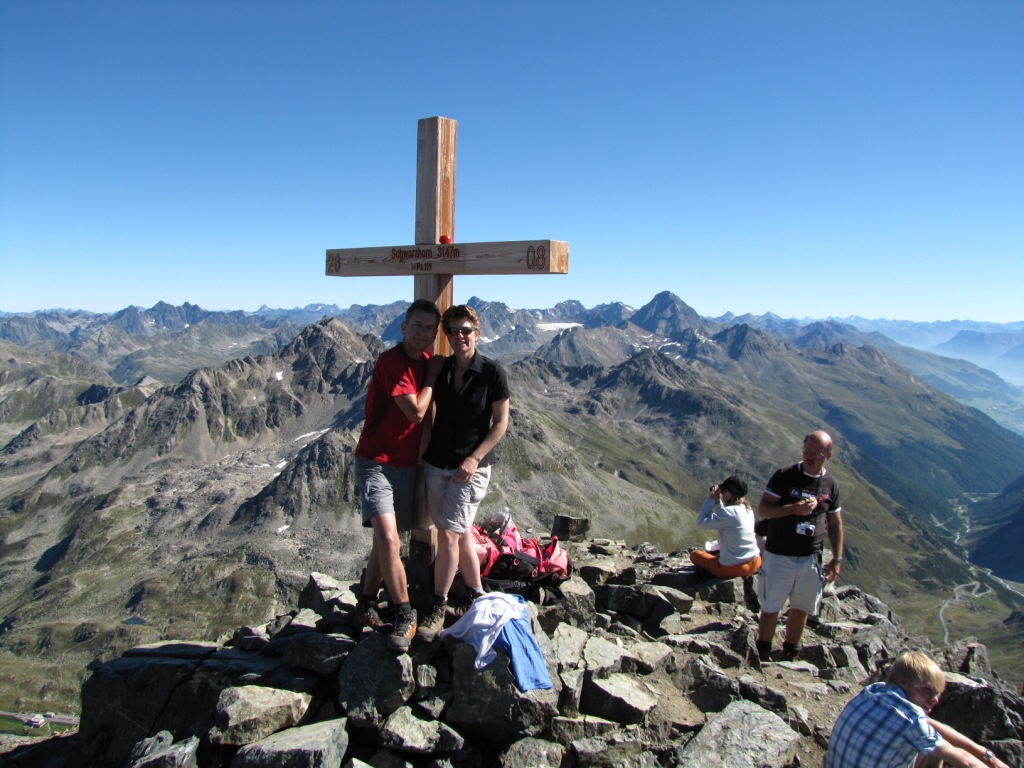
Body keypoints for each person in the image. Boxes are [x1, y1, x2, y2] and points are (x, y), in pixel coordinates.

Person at [416, 305, 511, 642]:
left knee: (449, 535)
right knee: (458, 530)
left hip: (469, 468)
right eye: (453, 331)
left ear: (478, 333)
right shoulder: (441, 369)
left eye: (466, 330)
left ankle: (437, 605)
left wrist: (474, 458)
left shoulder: (491, 372)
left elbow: (501, 423)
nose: (460, 336)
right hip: (437, 460)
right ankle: (476, 593)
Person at [353, 299, 442, 653]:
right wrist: (434, 376)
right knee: (390, 540)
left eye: (429, 328)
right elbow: (416, 412)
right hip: (376, 461)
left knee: (383, 540)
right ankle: (405, 613)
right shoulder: (392, 362)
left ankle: (365, 603)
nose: (423, 332)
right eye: (417, 325)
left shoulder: (424, 362)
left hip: (408, 466)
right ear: (403, 327)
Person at [824, 650, 1011, 768]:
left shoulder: (874, 691)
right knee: (939, 754)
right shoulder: (911, 720)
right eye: (927, 690)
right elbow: (966, 762)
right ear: (904, 681)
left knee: (933, 743)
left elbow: (930, 725)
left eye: (937, 694)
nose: (934, 700)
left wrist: (986, 755)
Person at [756, 430, 843, 662]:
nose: (810, 456)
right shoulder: (784, 476)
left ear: (828, 455)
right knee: (771, 606)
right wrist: (793, 509)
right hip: (779, 554)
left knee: (801, 608)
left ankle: (790, 652)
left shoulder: (830, 485)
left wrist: (836, 558)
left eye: (817, 453)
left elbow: (834, 523)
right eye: (807, 450)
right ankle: (761, 652)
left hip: (810, 557)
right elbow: (764, 510)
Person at [689, 476, 762, 579]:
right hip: (755, 562)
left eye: (723, 491)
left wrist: (711, 499)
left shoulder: (730, 512)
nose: (721, 493)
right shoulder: (747, 509)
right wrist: (719, 502)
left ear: (729, 493)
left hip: (734, 568)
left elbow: (701, 522)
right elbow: (724, 516)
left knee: (695, 555)